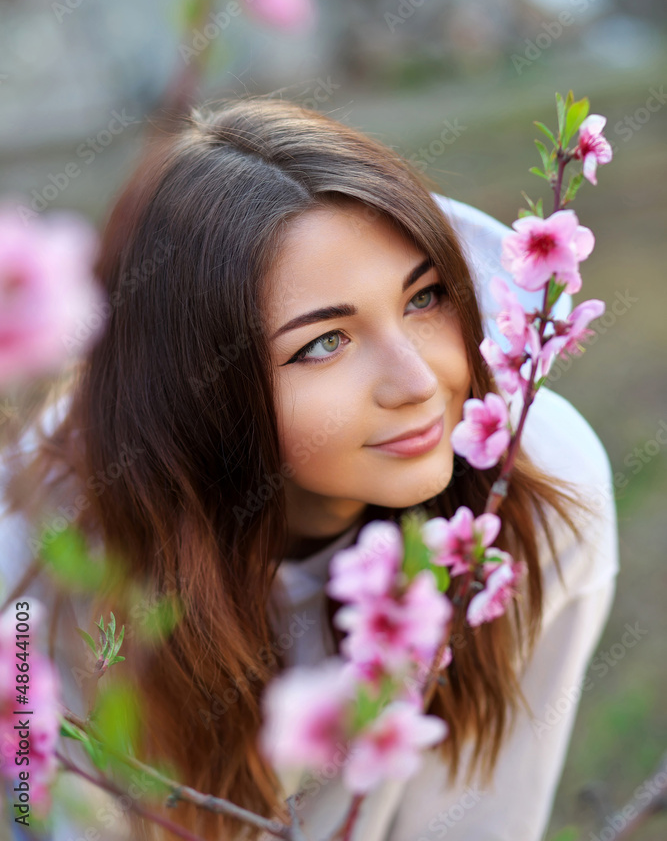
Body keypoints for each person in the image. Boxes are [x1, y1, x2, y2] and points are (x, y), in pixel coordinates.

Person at [0, 96, 619, 841]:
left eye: (424, 298)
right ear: (202, 392)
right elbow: (38, 815)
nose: (416, 382)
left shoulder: (538, 482)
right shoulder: (46, 549)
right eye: (323, 343)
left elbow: (483, 815)